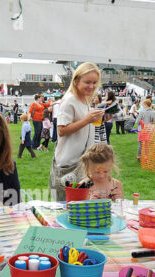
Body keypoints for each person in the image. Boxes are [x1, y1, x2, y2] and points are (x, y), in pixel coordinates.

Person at [49, 62, 104, 201]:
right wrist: (86, 120)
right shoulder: (69, 100)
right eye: (87, 82)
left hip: (82, 163)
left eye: (94, 82)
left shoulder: (85, 99)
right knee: (64, 206)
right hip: (68, 164)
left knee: (79, 205)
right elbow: (61, 130)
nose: (91, 86)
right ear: (76, 80)